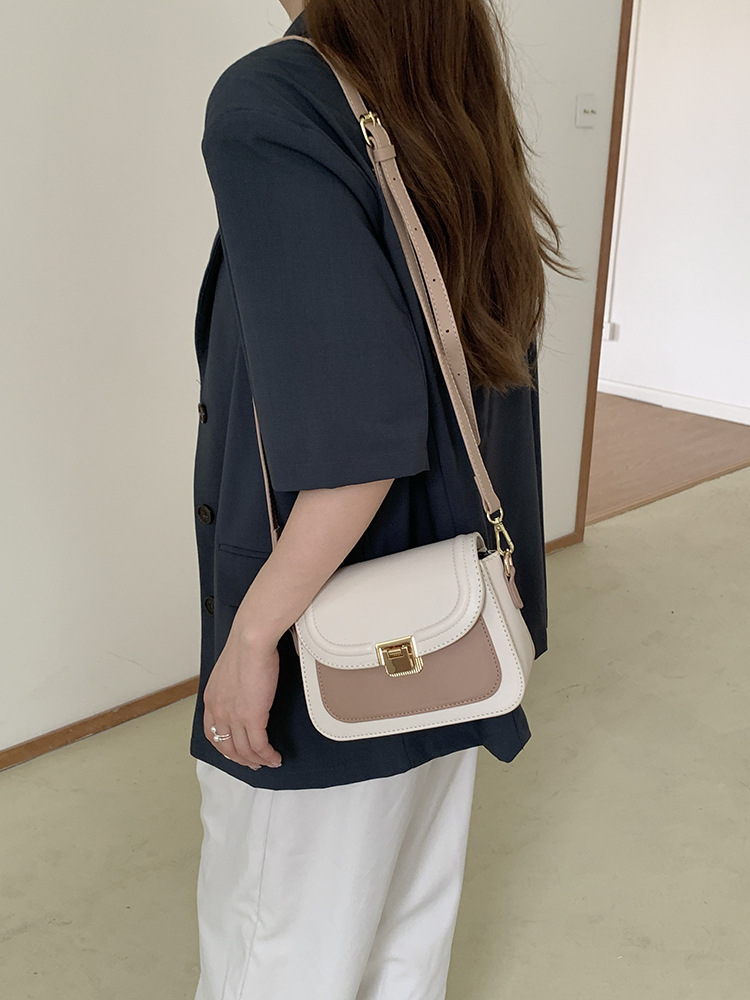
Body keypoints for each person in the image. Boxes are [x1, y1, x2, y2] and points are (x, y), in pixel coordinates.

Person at [189, 2, 570, 997]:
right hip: (453, 619)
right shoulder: (441, 79)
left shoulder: (274, 98)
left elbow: (356, 437)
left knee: (274, 953)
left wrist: (249, 638)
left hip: (329, 632)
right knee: (404, 940)